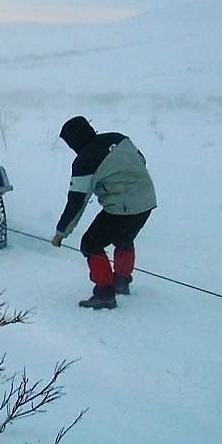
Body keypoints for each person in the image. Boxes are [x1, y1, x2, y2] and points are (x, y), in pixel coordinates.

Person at [50, 116, 157, 310]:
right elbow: (141, 159)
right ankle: (122, 282)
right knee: (124, 238)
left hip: (123, 207)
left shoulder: (85, 161)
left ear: (73, 140)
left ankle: (105, 294)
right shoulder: (118, 137)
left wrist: (61, 233)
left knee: (91, 243)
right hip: (147, 199)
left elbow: (77, 201)